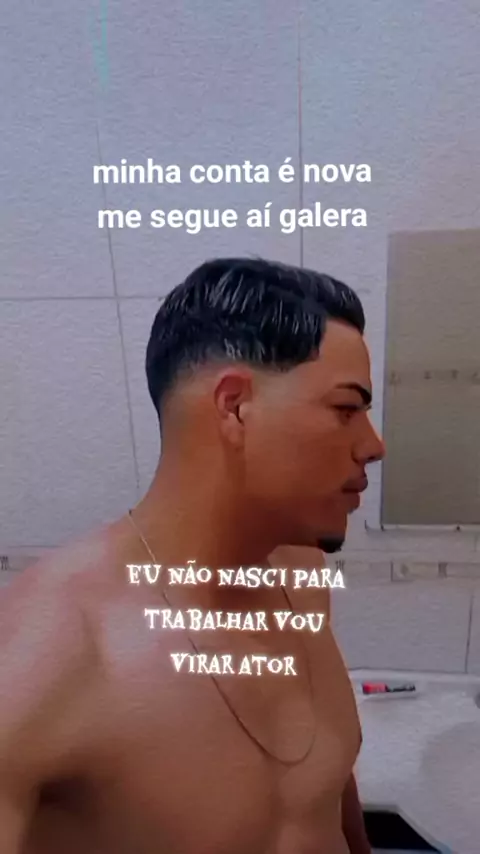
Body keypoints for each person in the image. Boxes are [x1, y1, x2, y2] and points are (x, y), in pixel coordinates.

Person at [0, 257, 384, 854]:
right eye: (346, 410)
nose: (373, 445)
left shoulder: (301, 574)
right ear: (235, 406)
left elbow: (323, 789)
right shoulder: (48, 651)